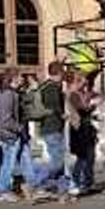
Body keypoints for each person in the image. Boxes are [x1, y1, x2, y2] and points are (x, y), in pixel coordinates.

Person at [0, 68, 37, 202]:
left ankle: (32, 187)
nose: (22, 79)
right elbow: (6, 119)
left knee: (26, 159)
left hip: (18, 133)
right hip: (11, 134)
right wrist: (18, 128)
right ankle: (4, 190)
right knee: (9, 162)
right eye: (20, 77)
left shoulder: (14, 93)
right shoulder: (7, 94)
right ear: (13, 78)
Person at [30, 61, 69, 196]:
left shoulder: (44, 86)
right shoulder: (52, 87)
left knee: (60, 159)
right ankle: (35, 181)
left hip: (49, 127)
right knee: (57, 161)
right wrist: (64, 115)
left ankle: (63, 190)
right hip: (52, 127)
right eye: (62, 72)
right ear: (59, 73)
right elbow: (56, 108)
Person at [66, 71, 98, 197]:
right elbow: (82, 110)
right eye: (80, 81)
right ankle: (75, 183)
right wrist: (93, 105)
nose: (83, 83)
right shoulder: (73, 95)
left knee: (90, 157)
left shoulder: (79, 93)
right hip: (78, 130)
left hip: (86, 129)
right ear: (73, 82)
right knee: (82, 158)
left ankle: (88, 183)